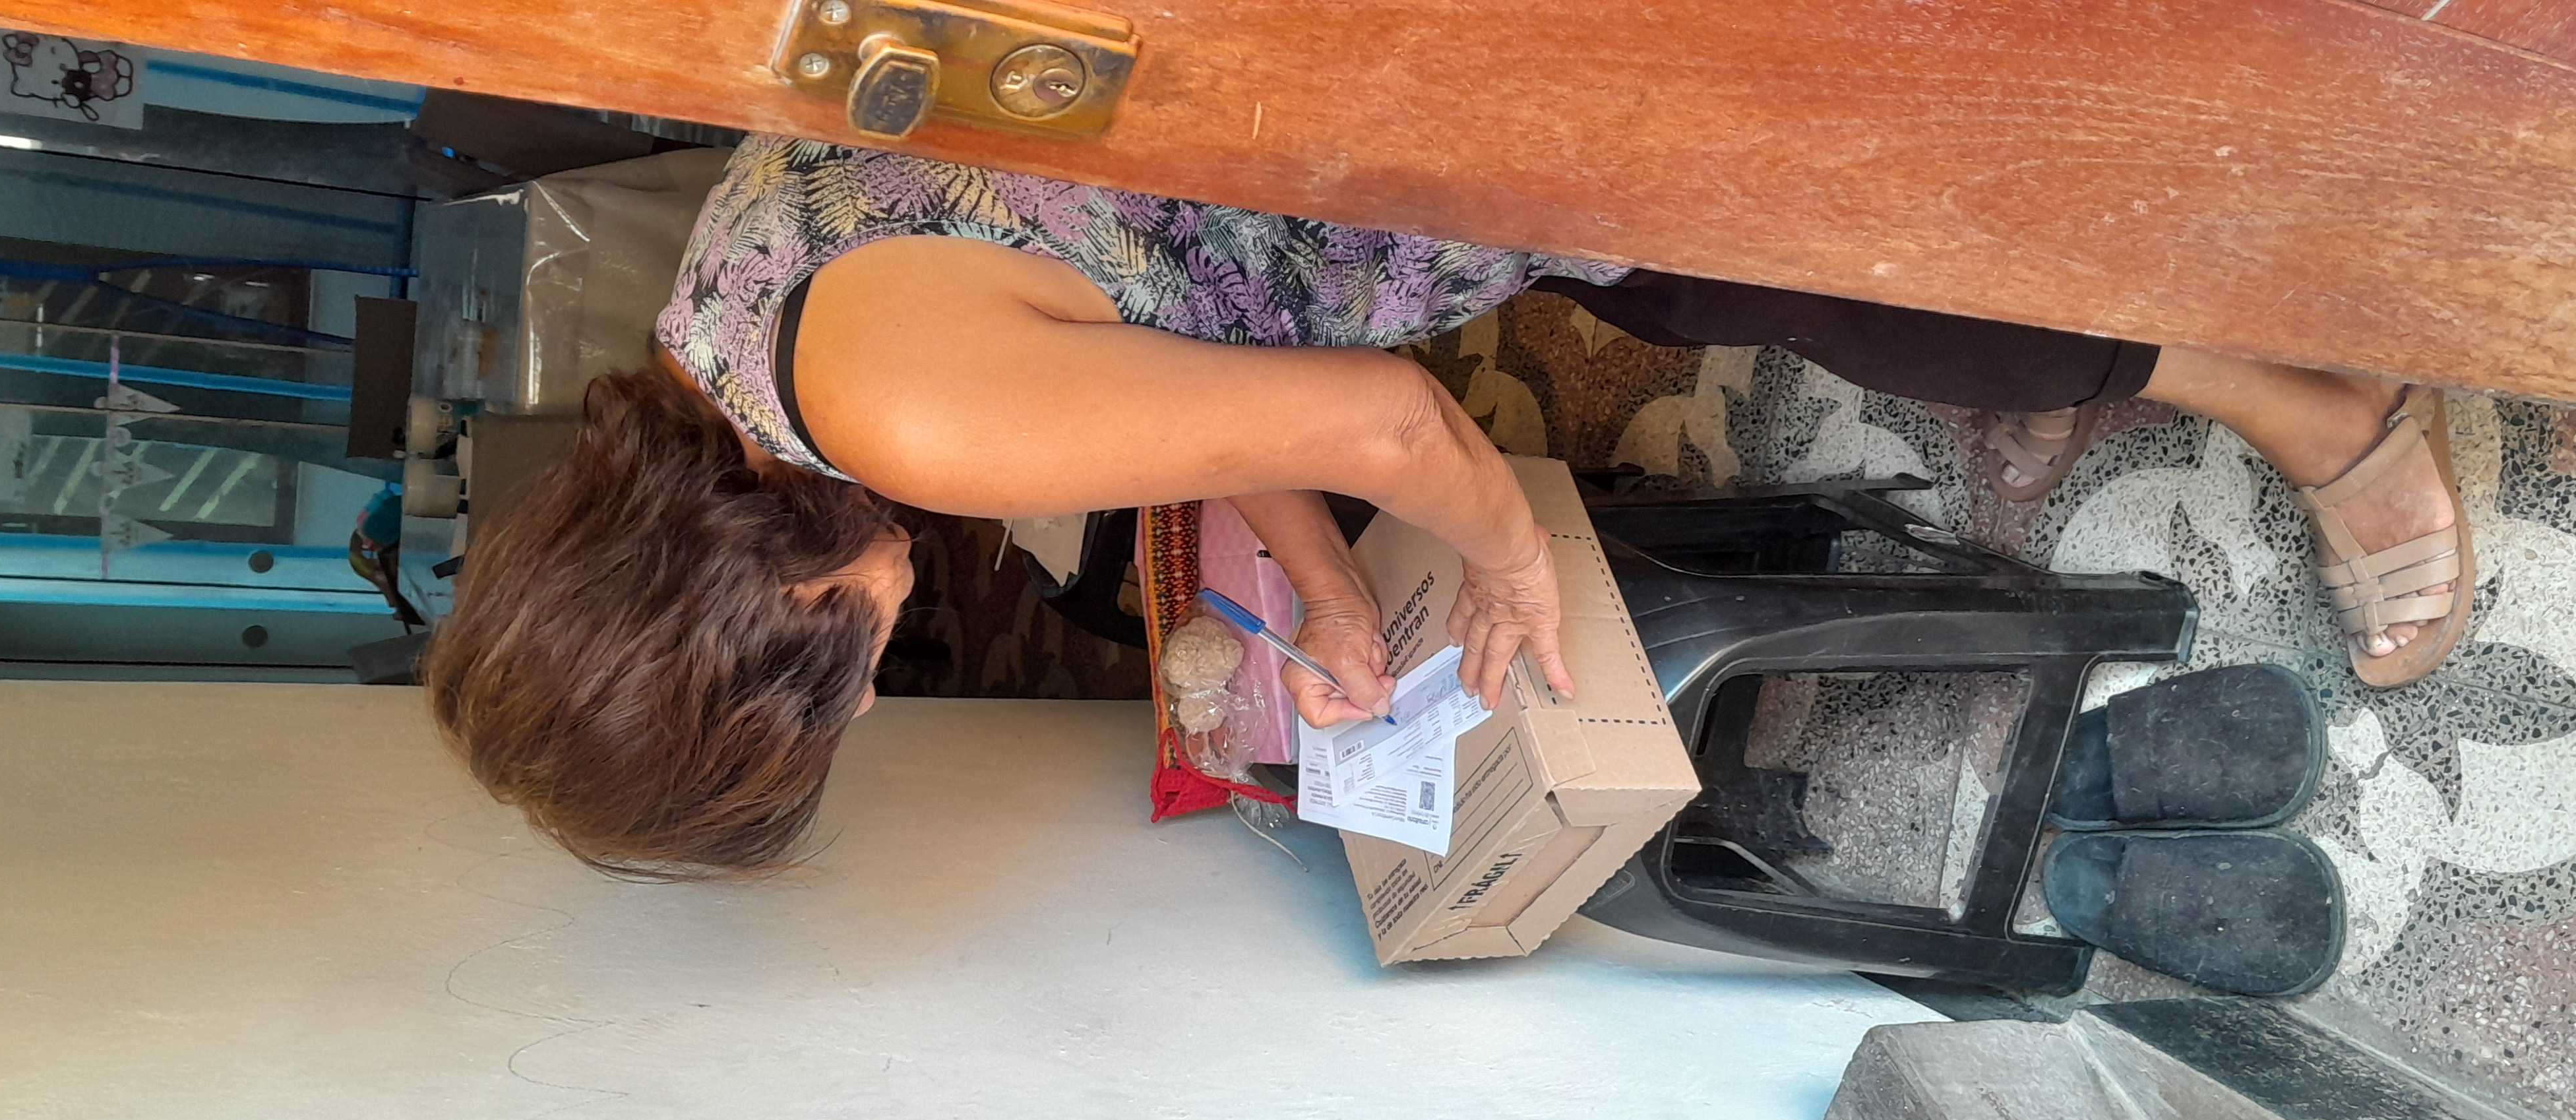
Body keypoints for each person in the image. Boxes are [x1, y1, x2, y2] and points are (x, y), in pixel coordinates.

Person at [424, 136, 2468, 876]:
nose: (873, 696)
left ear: (766, 622)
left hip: (1400, 132)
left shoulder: (905, 429)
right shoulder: (726, 317)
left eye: (829, 706)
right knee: (1716, 278)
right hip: (1304, 145)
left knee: (1813, 280)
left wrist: (1500, 558)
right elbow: (1146, 352)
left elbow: (1390, 419)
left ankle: (2320, 404)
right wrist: (1322, 586)